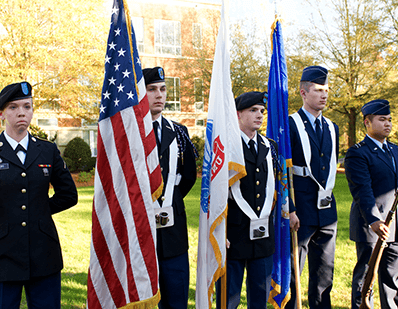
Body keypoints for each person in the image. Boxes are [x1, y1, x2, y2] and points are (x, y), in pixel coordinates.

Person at [0, 81, 78, 308]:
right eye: (13, 107)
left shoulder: (47, 150)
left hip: (43, 252)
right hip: (3, 253)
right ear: (2, 114)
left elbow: (68, 195)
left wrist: (40, 209)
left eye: (27, 106)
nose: (21, 113)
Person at [216, 91, 278, 309]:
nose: (259, 115)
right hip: (234, 234)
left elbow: (277, 185)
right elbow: (215, 193)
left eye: (262, 111)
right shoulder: (225, 147)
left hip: (262, 235)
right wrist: (219, 231)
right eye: (253, 111)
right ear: (237, 114)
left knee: (259, 297)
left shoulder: (270, 146)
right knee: (228, 298)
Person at [142, 67, 197, 309]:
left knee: (176, 296)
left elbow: (189, 176)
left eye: (163, 89)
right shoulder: (130, 132)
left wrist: (169, 199)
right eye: (152, 89)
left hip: (173, 228)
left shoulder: (179, 132)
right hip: (141, 226)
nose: (159, 95)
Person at [287, 66, 339, 309]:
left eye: (326, 90)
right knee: (294, 270)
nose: (324, 95)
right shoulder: (290, 124)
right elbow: (282, 173)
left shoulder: (332, 127)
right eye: (319, 90)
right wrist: (290, 209)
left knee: (324, 272)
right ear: (303, 92)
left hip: (326, 208)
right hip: (301, 207)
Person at [345, 99, 398, 309]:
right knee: (366, 279)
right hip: (372, 225)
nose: (388, 124)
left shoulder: (395, 150)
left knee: (392, 279)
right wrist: (374, 220)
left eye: (390, 120)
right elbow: (362, 191)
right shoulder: (358, 153)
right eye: (382, 119)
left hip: (394, 226)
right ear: (367, 122)